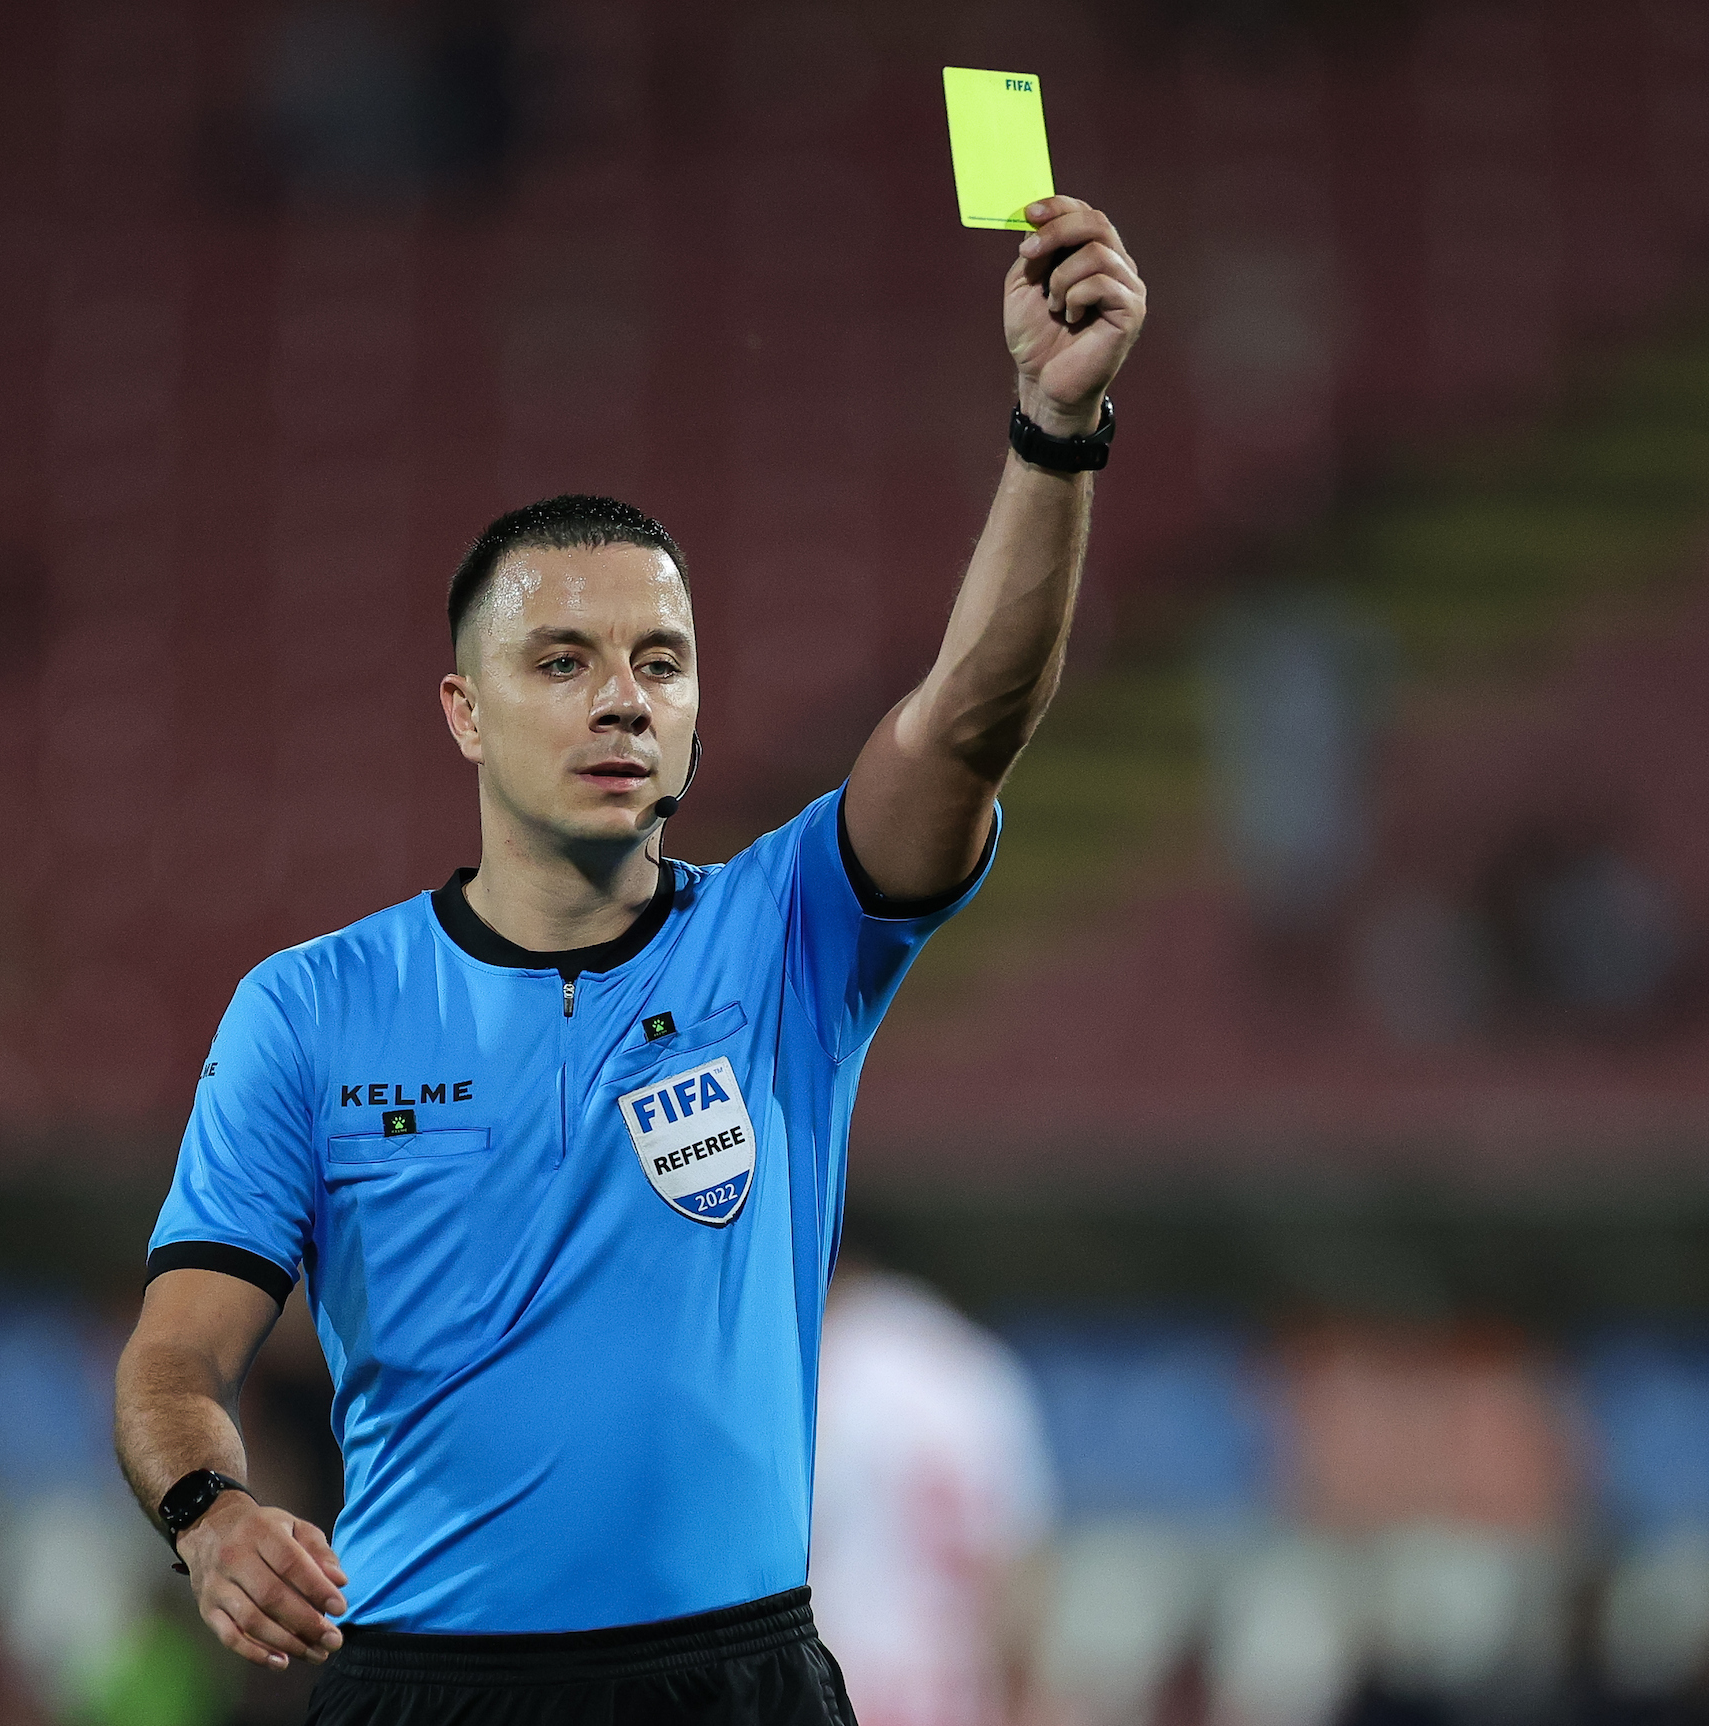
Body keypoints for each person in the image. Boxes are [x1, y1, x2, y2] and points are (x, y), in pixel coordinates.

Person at [111, 193, 1147, 1726]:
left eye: (660, 663)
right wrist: (209, 1514)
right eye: (562, 661)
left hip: (735, 1682)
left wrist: (1054, 433)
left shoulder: (791, 931)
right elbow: (173, 1357)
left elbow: (969, 715)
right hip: (422, 1690)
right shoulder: (312, 1008)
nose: (622, 701)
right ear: (463, 709)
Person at [811, 1257, 1056, 1726]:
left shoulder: (829, 1360)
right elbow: (1023, 1577)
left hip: (841, 1693)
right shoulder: (977, 1368)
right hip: (954, 1698)